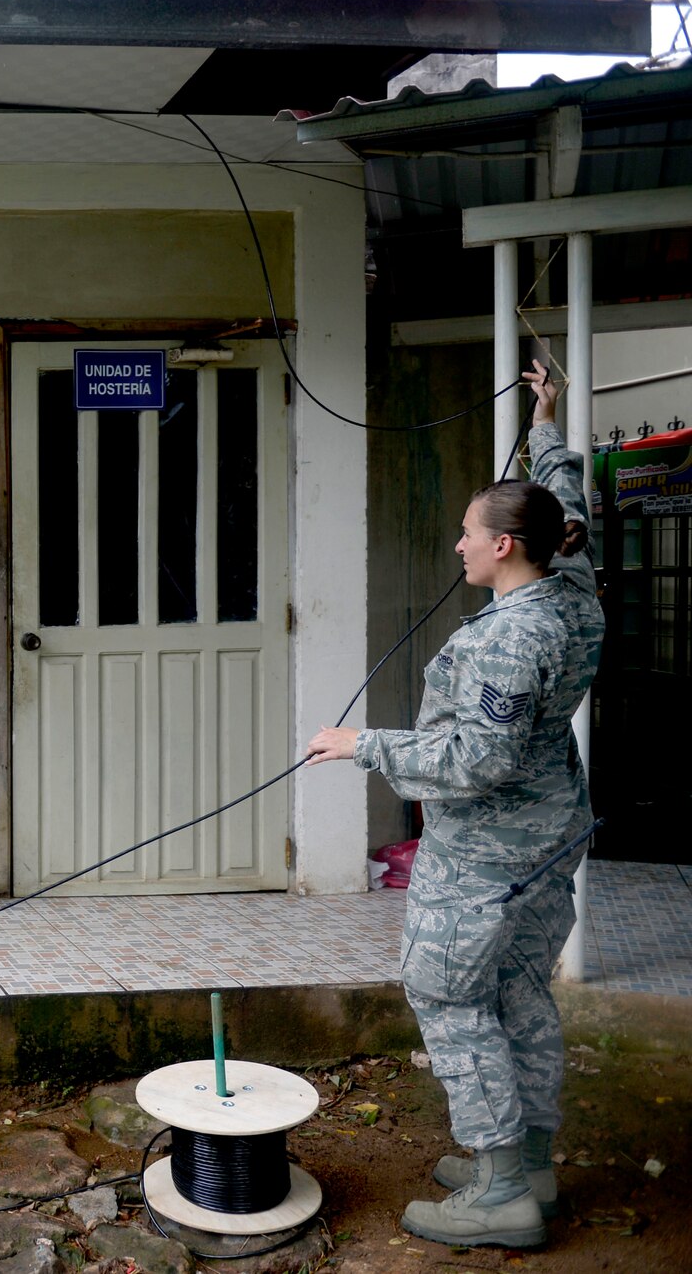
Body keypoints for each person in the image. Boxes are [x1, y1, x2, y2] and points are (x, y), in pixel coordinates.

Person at [305, 360, 603, 1249]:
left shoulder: (514, 640)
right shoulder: (574, 587)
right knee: (520, 995)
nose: (460, 546)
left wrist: (362, 744)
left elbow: (480, 756)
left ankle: (502, 1187)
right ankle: (532, 1163)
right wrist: (544, 422)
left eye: (469, 534)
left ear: (506, 546)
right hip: (549, 842)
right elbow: (561, 501)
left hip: (486, 858)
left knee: (454, 999)